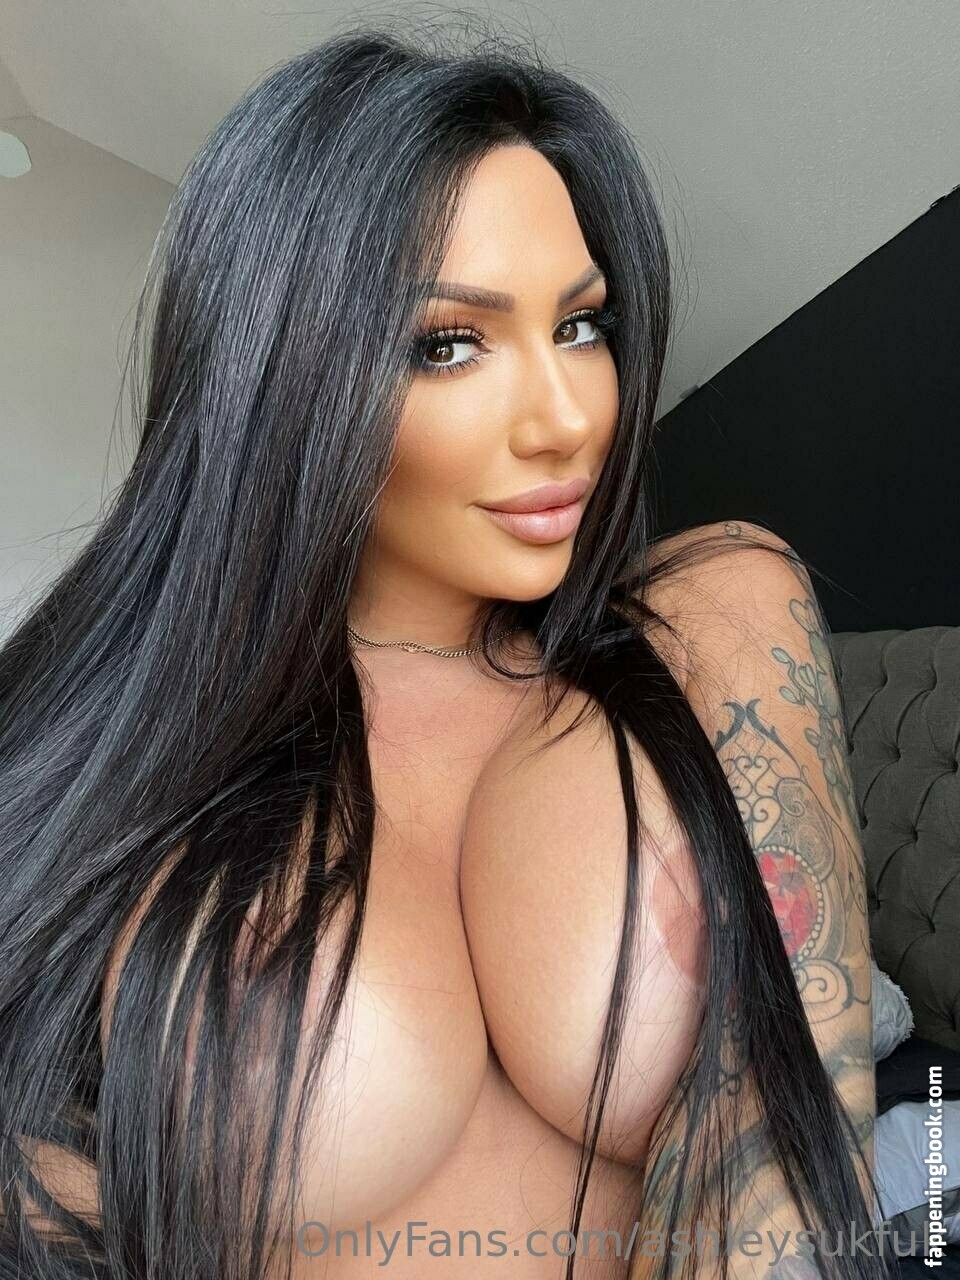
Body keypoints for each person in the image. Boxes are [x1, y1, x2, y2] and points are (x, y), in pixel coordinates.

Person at [0, 19, 893, 1280]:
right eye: (447, 344)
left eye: (581, 325)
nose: (566, 417)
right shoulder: (99, 766)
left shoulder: (713, 618)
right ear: (282, 380)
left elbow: (794, 1166)